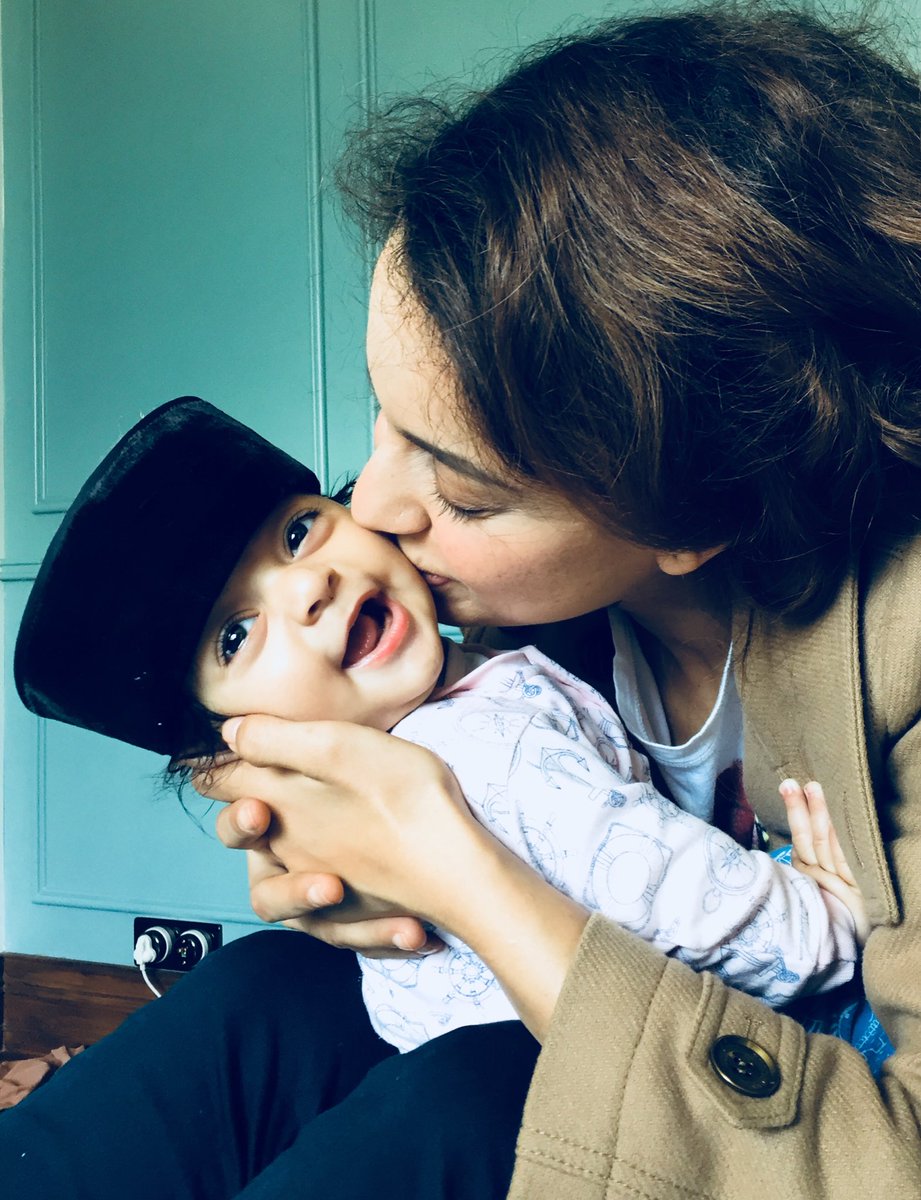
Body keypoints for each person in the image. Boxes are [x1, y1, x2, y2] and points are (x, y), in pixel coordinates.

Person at [4, 4, 921, 1197]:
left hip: (794, 1096)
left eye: (463, 489)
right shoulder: (487, 625)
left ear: (693, 514)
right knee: (267, 988)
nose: (368, 511)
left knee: (476, 1097)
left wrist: (458, 869)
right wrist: (327, 856)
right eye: (382, 425)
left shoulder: (892, 646)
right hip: (537, 1003)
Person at [12, 397, 868, 1060]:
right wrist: (821, 915)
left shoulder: (472, 709)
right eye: (235, 635)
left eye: (299, 531)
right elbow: (754, 932)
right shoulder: (491, 749)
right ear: (234, 742)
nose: (306, 589)